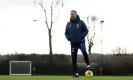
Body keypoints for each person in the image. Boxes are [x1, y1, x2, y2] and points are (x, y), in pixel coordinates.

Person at [65, 10, 93, 77]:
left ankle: (88, 65)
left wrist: (81, 36)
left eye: (73, 14)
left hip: (81, 42)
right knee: (74, 58)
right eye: (71, 14)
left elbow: (86, 30)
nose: (72, 15)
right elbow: (66, 33)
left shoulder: (81, 22)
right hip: (73, 43)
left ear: (76, 14)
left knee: (84, 52)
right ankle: (75, 73)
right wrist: (68, 38)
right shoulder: (68, 24)